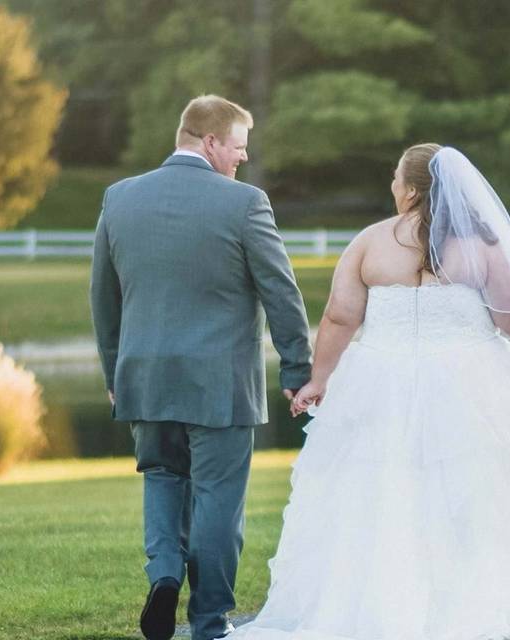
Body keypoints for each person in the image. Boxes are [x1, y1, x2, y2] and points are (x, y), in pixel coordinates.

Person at [230, 144, 510, 640]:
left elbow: (340, 316)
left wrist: (319, 378)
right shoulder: (482, 246)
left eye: (396, 178)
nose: (392, 186)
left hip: (379, 386)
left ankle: (379, 607)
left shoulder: (370, 243)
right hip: (472, 384)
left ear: (411, 189)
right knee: (470, 498)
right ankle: (472, 606)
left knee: (380, 495)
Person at [90, 95, 312, 640]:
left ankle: (164, 574)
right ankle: (209, 623)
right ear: (210, 141)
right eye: (237, 148)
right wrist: (297, 370)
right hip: (220, 384)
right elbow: (282, 294)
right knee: (218, 501)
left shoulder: (119, 198)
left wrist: (115, 373)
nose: (241, 159)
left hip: (144, 377)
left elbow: (104, 298)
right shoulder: (244, 203)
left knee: (163, 480)